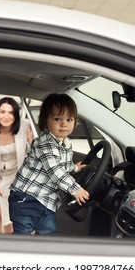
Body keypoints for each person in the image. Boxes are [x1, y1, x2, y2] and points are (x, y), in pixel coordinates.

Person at [9, 93, 89, 235]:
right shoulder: (44, 143)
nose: (64, 124)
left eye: (69, 119)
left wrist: (74, 167)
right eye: (57, 119)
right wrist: (75, 189)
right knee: (22, 236)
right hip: (27, 198)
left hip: (47, 201)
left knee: (50, 236)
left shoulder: (65, 142)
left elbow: (62, 164)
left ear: (75, 122)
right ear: (46, 120)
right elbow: (55, 169)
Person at [0, 97, 33, 234]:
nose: (6, 117)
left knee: (11, 214)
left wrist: (31, 140)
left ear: (16, 115)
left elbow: (33, 152)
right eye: (2, 112)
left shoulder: (24, 126)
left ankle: (12, 243)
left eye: (11, 113)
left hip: (16, 177)